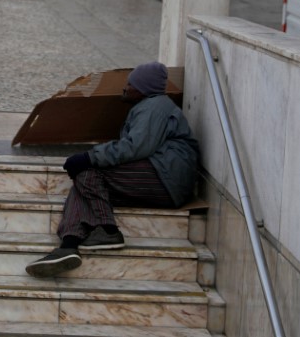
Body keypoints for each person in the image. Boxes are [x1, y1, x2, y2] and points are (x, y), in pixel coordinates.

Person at [25, 62, 200, 278]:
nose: (125, 88)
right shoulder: (149, 106)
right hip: (162, 180)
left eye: (130, 84)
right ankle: (68, 245)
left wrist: (89, 157)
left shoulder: (155, 108)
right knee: (81, 187)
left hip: (167, 179)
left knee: (89, 173)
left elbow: (135, 147)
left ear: (143, 88)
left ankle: (108, 231)